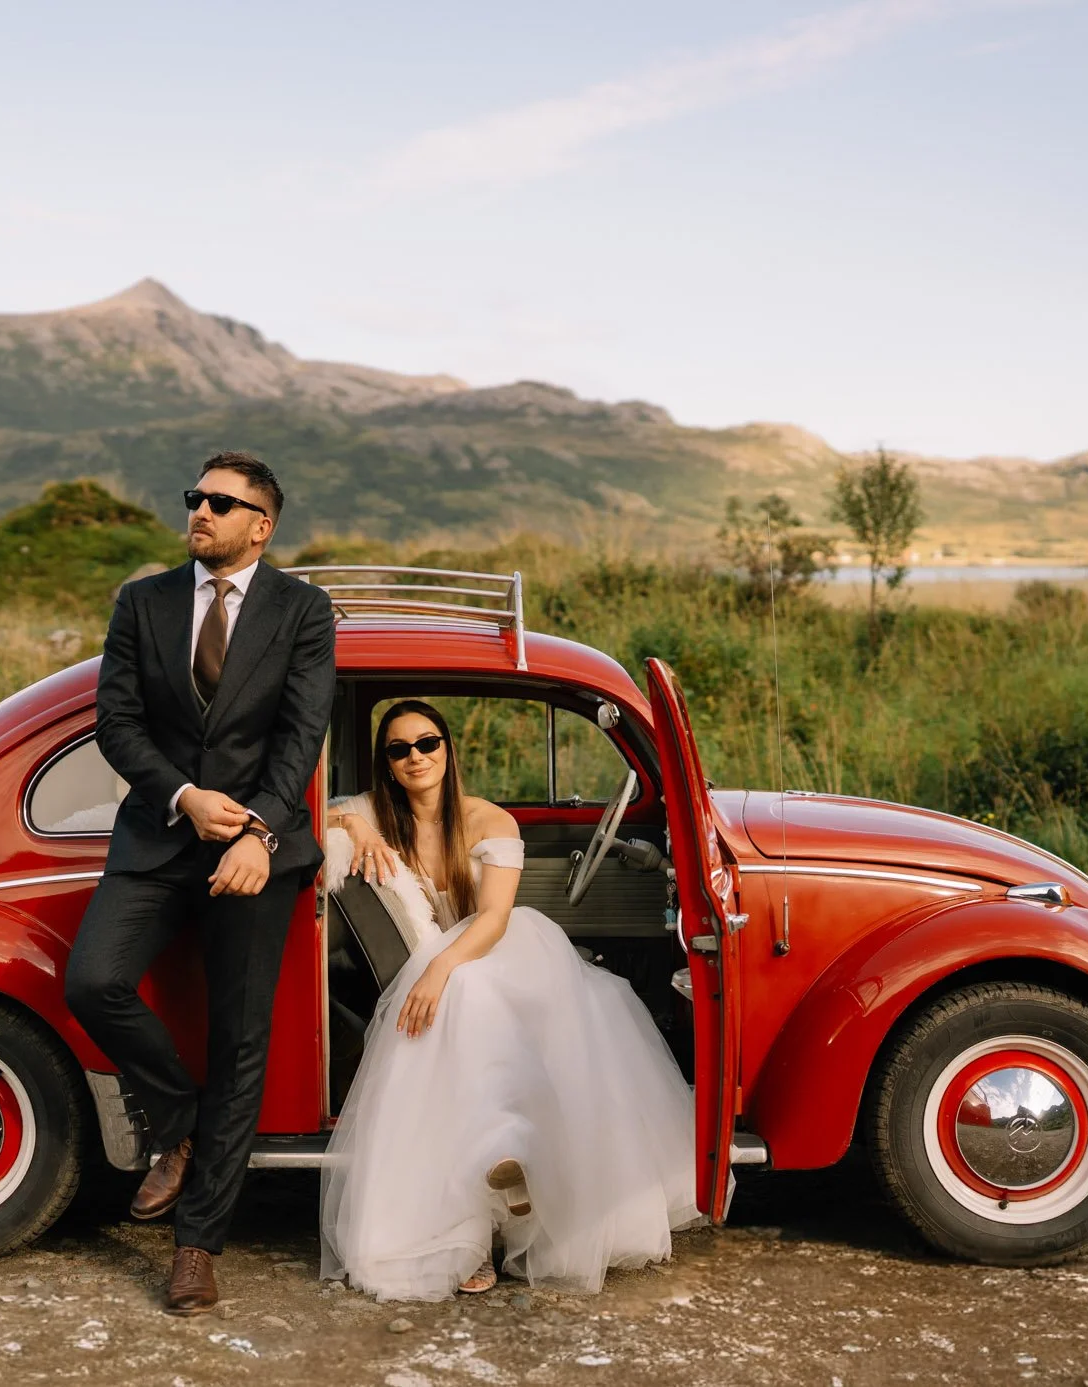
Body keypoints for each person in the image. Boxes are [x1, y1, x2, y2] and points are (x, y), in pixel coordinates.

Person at [63, 452, 335, 1316]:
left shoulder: (303, 609)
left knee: (240, 1041)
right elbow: (117, 721)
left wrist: (256, 829)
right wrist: (184, 795)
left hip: (256, 852)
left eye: (222, 502)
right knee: (93, 979)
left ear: (263, 524)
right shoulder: (141, 601)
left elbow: (301, 736)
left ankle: (195, 1247)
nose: (201, 511)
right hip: (158, 835)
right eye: (196, 498)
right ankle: (175, 1123)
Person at [319, 699, 699, 1301]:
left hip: (489, 946)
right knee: (466, 1007)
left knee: (491, 995)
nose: (415, 757)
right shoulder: (375, 817)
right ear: (385, 764)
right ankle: (486, 1199)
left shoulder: (490, 820)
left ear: (447, 749)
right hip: (435, 965)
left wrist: (441, 967)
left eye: (427, 744)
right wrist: (355, 825)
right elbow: (313, 811)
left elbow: (494, 919)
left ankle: (519, 1175)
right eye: (398, 749)